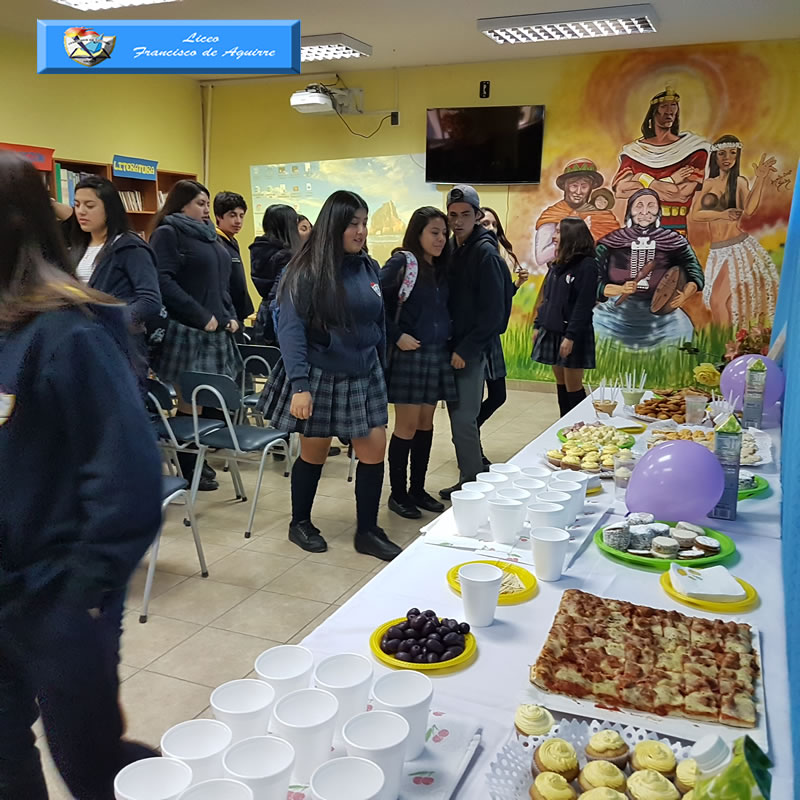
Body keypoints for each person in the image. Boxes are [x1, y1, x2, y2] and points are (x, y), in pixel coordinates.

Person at [0, 152, 162, 799]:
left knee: (89, 762)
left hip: (58, 596)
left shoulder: (70, 334)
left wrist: (83, 595)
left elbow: (129, 481)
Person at [258, 190, 400, 561]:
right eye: (353, 223)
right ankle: (300, 523)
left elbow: (379, 321)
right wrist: (300, 386)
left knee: (374, 448)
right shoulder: (305, 270)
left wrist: (382, 365)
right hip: (320, 373)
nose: (361, 231)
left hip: (364, 372)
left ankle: (367, 531)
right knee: (315, 450)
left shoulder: (367, 266)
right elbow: (290, 329)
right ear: (333, 226)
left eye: (364, 223)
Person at [150, 179, 242, 490]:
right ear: (181, 205)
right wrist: (201, 316)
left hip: (215, 331)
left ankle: (198, 461)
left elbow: (220, 284)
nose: (206, 210)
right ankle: (188, 467)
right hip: (186, 331)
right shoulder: (168, 232)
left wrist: (229, 316)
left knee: (206, 400)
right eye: (200, 204)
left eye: (206, 204)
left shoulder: (209, 236)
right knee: (190, 402)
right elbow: (163, 282)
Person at [381, 207, 455, 519]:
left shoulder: (441, 267)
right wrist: (397, 335)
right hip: (408, 356)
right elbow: (377, 305)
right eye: (434, 233)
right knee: (407, 426)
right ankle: (398, 495)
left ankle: (417, 489)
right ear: (418, 233)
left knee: (426, 424)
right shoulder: (403, 263)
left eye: (444, 233)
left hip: (435, 353)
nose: (440, 239)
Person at [439, 185, 513, 499]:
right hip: (452, 346)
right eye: (452, 215)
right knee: (460, 417)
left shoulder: (485, 253)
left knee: (463, 419)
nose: (458, 221)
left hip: (469, 349)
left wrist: (466, 349)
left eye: (465, 214)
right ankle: (472, 474)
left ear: (477, 215)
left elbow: (496, 313)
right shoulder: (453, 248)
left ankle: (471, 482)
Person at [51, 175, 161, 379]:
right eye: (77, 205)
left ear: (109, 208)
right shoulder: (79, 246)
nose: (81, 211)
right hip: (82, 343)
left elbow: (150, 301)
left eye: (90, 205)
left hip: (118, 347)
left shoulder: (131, 247)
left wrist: (113, 320)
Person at [593, 188, 705, 349]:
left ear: (658, 211)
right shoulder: (611, 241)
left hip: (663, 316)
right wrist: (619, 289)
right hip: (614, 315)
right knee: (595, 329)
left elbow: (694, 272)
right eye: (639, 206)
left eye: (651, 206)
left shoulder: (674, 241)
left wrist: (685, 294)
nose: (645, 212)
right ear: (630, 211)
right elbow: (593, 277)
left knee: (683, 332)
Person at [689, 135, 780, 328]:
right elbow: (696, 214)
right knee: (726, 304)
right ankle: (730, 343)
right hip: (717, 250)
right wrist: (722, 214)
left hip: (738, 248)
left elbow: (749, 209)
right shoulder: (709, 184)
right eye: (722, 153)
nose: (727, 158)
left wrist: (760, 179)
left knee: (717, 300)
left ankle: (722, 344)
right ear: (715, 156)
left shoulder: (739, 182)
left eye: (732, 153)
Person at [613, 86, 709, 235]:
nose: (669, 111)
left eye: (673, 106)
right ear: (653, 111)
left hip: (675, 226)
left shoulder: (694, 150)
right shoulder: (634, 152)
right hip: (639, 226)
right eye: (664, 106)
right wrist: (672, 181)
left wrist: (641, 178)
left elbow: (681, 195)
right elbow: (621, 190)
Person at [477, 206, 529, 465]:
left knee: (499, 395)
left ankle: (469, 431)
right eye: (484, 224)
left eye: (493, 224)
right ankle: (472, 448)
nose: (490, 229)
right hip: (476, 339)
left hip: (492, 338)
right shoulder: (475, 256)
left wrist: (516, 284)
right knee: (474, 400)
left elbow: (499, 299)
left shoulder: (498, 256)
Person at [531, 217, 599, 415]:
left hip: (573, 334)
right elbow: (547, 298)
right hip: (552, 330)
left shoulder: (587, 266)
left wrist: (570, 337)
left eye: (559, 231)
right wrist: (538, 325)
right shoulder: (556, 265)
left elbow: (583, 305)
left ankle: (582, 425)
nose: (554, 236)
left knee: (573, 387)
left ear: (572, 235)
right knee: (561, 384)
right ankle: (564, 421)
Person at [534, 159, 620, 266]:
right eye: (574, 186)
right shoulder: (554, 214)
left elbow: (616, 251)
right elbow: (541, 257)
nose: (578, 192)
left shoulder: (604, 216)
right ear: (565, 187)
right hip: (564, 272)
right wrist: (576, 235)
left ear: (590, 189)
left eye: (584, 187)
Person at [250, 204, 300, 346]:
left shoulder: (258, 248)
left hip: (263, 314)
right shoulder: (286, 256)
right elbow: (277, 295)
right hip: (279, 319)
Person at [214, 191, 254, 335]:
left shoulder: (231, 241)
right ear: (219, 216)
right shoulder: (216, 243)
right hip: (228, 317)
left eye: (241, 216)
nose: (238, 221)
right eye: (232, 215)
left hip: (238, 315)